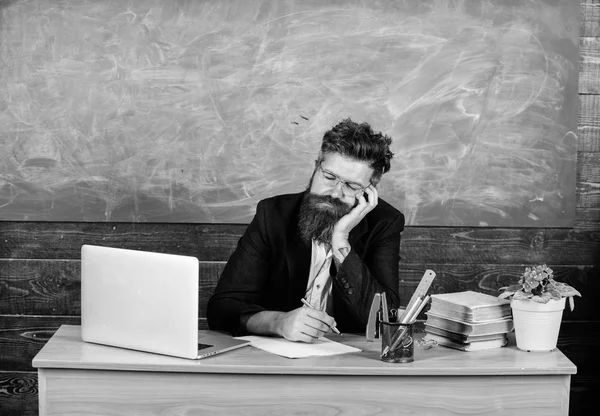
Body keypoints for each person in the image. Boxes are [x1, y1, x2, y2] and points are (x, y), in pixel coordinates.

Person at [207, 118, 404, 343]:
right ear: (315, 167)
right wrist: (278, 322)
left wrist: (340, 240)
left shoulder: (385, 222)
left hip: (352, 362)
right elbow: (222, 308)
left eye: (351, 185)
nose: (334, 193)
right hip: (274, 359)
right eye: (329, 177)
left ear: (370, 191)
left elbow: (384, 319)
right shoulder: (273, 215)